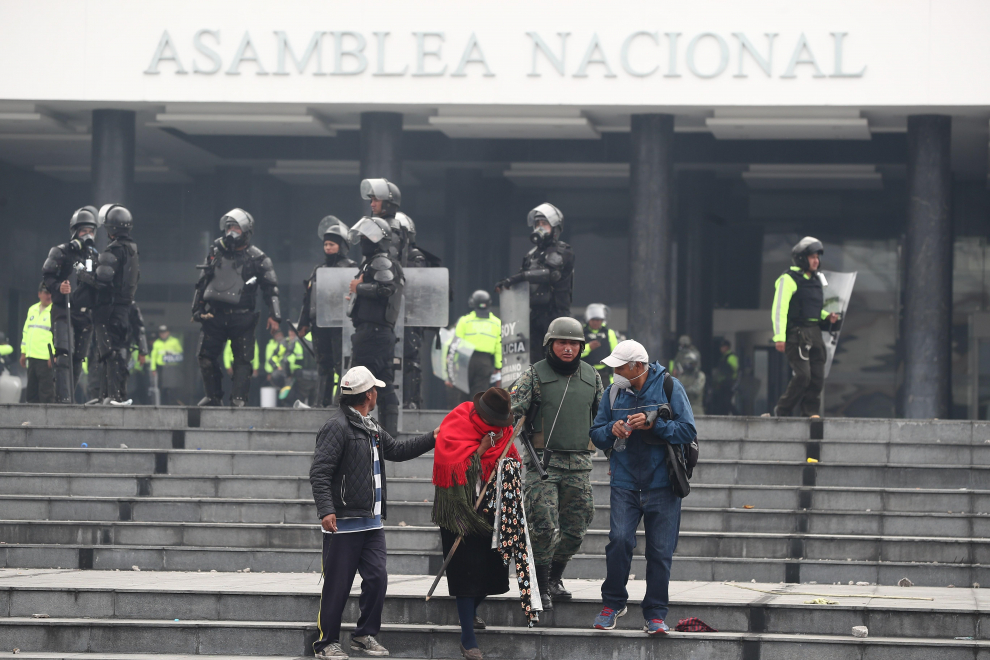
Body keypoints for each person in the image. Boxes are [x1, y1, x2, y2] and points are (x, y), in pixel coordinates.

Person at [309, 366, 436, 660]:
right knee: (337, 586)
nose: (377, 393)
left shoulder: (371, 426)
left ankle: (364, 635)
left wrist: (433, 437)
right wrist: (326, 510)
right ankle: (326, 643)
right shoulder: (336, 426)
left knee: (377, 578)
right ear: (369, 394)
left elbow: (398, 450)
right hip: (343, 524)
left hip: (371, 524)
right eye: (375, 389)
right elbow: (320, 472)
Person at [589, 340, 696, 635]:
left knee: (660, 552)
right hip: (624, 481)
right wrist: (611, 430)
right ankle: (612, 604)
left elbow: (687, 430)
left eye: (620, 367)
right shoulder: (613, 392)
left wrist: (654, 424)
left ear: (638, 366)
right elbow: (595, 433)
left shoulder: (670, 386)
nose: (615, 373)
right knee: (619, 541)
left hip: (663, 483)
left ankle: (656, 614)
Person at [432, 387, 537, 660]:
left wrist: (507, 465)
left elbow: (512, 458)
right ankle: (469, 639)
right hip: (459, 508)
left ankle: (470, 613)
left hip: (491, 507)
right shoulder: (458, 422)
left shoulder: (502, 432)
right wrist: (481, 450)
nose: (500, 429)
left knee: (493, 571)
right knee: (465, 574)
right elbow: (451, 465)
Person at [509, 316, 603, 610]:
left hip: (579, 465)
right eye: (562, 342)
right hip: (543, 465)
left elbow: (603, 419)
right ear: (550, 344)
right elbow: (512, 410)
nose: (567, 348)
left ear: (581, 347)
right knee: (544, 526)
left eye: (574, 343)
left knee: (577, 527)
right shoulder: (533, 375)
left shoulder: (593, 377)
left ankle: (554, 578)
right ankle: (537, 583)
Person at [192, 208, 281, 407]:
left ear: (246, 231)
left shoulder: (258, 258)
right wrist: (196, 308)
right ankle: (213, 396)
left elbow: (271, 288)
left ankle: (239, 398)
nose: (232, 231)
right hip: (214, 315)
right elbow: (202, 281)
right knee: (205, 358)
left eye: (236, 228)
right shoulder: (215, 253)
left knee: (242, 360)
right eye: (229, 227)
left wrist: (275, 316)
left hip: (243, 317)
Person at [346, 215, 404, 435]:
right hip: (374, 334)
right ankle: (385, 434)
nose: (362, 242)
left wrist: (359, 288)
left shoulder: (381, 260)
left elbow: (385, 288)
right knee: (380, 381)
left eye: (367, 237)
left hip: (373, 334)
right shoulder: (373, 262)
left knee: (363, 384)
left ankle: (359, 432)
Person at [496, 203, 574, 364]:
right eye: (537, 224)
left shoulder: (563, 250)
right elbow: (522, 278)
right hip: (534, 313)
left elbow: (551, 274)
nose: (540, 227)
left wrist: (517, 278)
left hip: (555, 314)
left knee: (555, 359)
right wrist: (507, 284)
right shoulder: (531, 255)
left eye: (544, 224)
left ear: (555, 227)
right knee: (534, 361)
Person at [771, 236, 840, 418]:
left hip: (814, 331)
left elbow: (817, 309)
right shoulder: (788, 279)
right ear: (802, 258)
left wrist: (829, 316)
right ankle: (783, 409)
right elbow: (779, 309)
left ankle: (809, 411)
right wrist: (779, 337)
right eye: (812, 257)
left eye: (818, 257)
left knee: (817, 376)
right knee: (803, 376)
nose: (816, 261)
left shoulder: (819, 279)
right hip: (797, 333)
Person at [41, 205, 100, 402]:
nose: (88, 234)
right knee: (64, 354)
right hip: (63, 309)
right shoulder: (61, 252)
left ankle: (71, 397)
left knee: (78, 359)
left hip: (85, 314)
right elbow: (47, 276)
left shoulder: (94, 256)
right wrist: (58, 287)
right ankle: (63, 400)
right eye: (84, 230)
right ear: (75, 231)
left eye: (91, 231)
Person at [297, 216, 356, 407]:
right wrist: (303, 323)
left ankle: (339, 403)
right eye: (326, 244)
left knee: (341, 366)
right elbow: (309, 299)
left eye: (332, 244)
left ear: (342, 245)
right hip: (319, 325)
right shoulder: (318, 269)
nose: (328, 248)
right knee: (323, 365)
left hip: (341, 325)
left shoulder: (352, 268)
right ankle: (320, 403)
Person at [89, 204, 140, 405]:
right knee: (109, 352)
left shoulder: (115, 250)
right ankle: (105, 395)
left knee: (110, 351)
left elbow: (101, 280)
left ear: (110, 228)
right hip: (123, 309)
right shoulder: (133, 250)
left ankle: (115, 396)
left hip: (108, 310)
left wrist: (83, 273)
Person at [450, 290, 502, 399]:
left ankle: (462, 415)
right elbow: (499, 347)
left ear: (472, 303)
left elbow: (455, 345)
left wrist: (453, 365)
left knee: (461, 393)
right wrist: (498, 366)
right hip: (485, 362)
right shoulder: (496, 323)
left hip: (465, 360)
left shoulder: (464, 321)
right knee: (479, 395)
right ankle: (475, 415)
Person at [20, 282, 55, 403]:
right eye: (46, 293)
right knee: (31, 393)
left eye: (50, 293)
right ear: (39, 294)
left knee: (46, 393)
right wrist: (23, 352)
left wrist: (53, 355)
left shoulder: (54, 310)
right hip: (32, 357)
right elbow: (26, 331)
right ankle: (31, 420)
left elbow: (58, 335)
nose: (48, 295)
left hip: (46, 359)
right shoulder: (32, 309)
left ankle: (46, 421)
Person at [580, 303, 618, 384]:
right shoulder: (581, 332)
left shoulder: (609, 333)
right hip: (586, 374)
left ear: (602, 320)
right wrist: (589, 347)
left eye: (598, 320)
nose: (595, 322)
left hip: (606, 374)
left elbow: (616, 354)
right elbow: (576, 353)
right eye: (593, 320)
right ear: (588, 320)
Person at [150, 325, 184, 405]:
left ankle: (173, 403)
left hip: (172, 367)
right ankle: (163, 404)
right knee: (162, 388)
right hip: (161, 368)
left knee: (172, 388)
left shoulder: (175, 341)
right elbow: (153, 356)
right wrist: (153, 368)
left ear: (168, 332)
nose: (163, 334)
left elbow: (180, 352)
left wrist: (171, 353)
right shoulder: (157, 343)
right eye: (161, 333)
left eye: (164, 332)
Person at [125, 303, 149, 405]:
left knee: (136, 389)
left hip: (135, 370)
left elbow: (139, 329)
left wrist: (142, 351)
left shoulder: (132, 307)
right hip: (130, 368)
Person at [673, 347, 705, 416]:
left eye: (690, 363)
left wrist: (681, 389)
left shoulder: (699, 375)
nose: (688, 365)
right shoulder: (682, 376)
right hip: (683, 409)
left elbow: (696, 390)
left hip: (695, 409)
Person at [711, 339, 739, 415]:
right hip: (723, 383)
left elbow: (735, 369)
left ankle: (736, 414)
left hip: (729, 383)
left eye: (723, 347)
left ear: (727, 347)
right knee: (723, 401)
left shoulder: (731, 357)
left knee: (726, 401)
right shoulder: (724, 357)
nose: (721, 349)